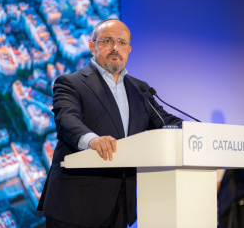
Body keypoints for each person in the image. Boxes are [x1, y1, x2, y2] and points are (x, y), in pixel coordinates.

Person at [37, 19, 182, 228]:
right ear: (92, 46)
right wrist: (93, 140)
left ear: (129, 50)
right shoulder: (70, 83)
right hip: (75, 206)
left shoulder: (140, 89)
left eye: (122, 43)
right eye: (107, 41)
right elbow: (67, 120)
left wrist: (200, 133)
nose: (115, 48)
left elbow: (165, 122)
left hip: (120, 207)